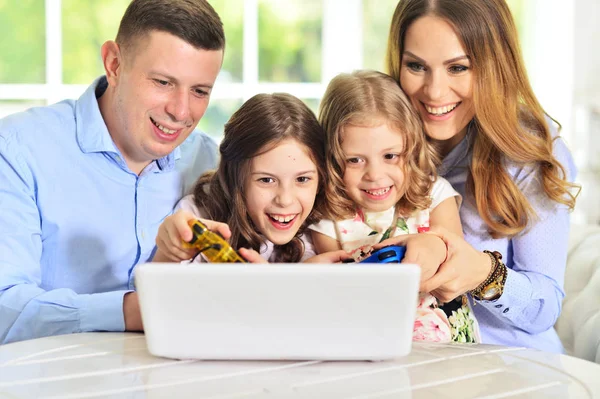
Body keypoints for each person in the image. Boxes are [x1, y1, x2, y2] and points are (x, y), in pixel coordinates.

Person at [0, 0, 226, 344]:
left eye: (199, 91)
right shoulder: (17, 150)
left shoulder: (210, 163)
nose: (181, 111)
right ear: (114, 64)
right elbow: (5, 308)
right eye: (163, 82)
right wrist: (135, 310)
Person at [385, 0, 579, 352]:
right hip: (405, 364)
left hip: (513, 366)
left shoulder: (528, 150)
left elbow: (545, 307)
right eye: (416, 66)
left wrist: (482, 273)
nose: (434, 91)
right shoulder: (377, 143)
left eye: (458, 68)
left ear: (495, 67)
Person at [308, 70, 479, 343]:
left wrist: (433, 248)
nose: (375, 174)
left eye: (390, 156)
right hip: (370, 333)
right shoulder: (327, 217)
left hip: (447, 338)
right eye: (354, 160)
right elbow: (340, 291)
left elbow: (456, 258)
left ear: (411, 148)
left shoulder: (434, 194)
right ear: (331, 158)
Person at [154, 93, 348, 264]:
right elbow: (156, 297)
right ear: (235, 177)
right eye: (266, 180)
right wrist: (168, 253)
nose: (285, 200)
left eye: (303, 179)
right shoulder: (197, 215)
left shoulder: (320, 232)